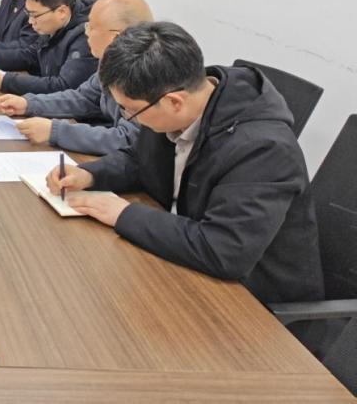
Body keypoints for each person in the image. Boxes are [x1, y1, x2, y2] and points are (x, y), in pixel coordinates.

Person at [47, 21, 323, 305]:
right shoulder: (176, 100)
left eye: (130, 110)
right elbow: (140, 159)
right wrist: (89, 175)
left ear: (174, 102)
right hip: (183, 259)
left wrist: (122, 214)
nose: (129, 117)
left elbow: (224, 250)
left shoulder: (264, 150)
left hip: (251, 303)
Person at [0, 0, 152, 154]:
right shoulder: (109, 61)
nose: (86, 32)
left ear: (116, 38)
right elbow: (85, 97)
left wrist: (56, 131)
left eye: (91, 27)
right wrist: (29, 104)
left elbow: (129, 139)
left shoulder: (146, 73)